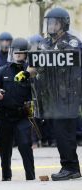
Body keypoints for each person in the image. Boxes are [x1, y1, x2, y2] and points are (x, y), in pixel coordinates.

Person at [15, 7, 81, 181]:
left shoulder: (72, 43)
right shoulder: (44, 44)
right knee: (59, 133)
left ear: (63, 24)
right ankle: (69, 166)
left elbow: (75, 66)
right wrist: (27, 73)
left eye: (54, 22)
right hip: (51, 96)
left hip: (69, 95)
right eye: (49, 22)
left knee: (64, 132)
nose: (50, 25)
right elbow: (36, 65)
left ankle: (71, 167)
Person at [0, 38, 35, 181]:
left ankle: (30, 177)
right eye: (15, 52)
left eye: (21, 53)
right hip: (5, 116)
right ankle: (6, 177)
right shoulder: (3, 70)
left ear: (26, 54)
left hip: (23, 115)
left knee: (25, 145)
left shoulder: (31, 71)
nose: (18, 55)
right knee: (4, 149)